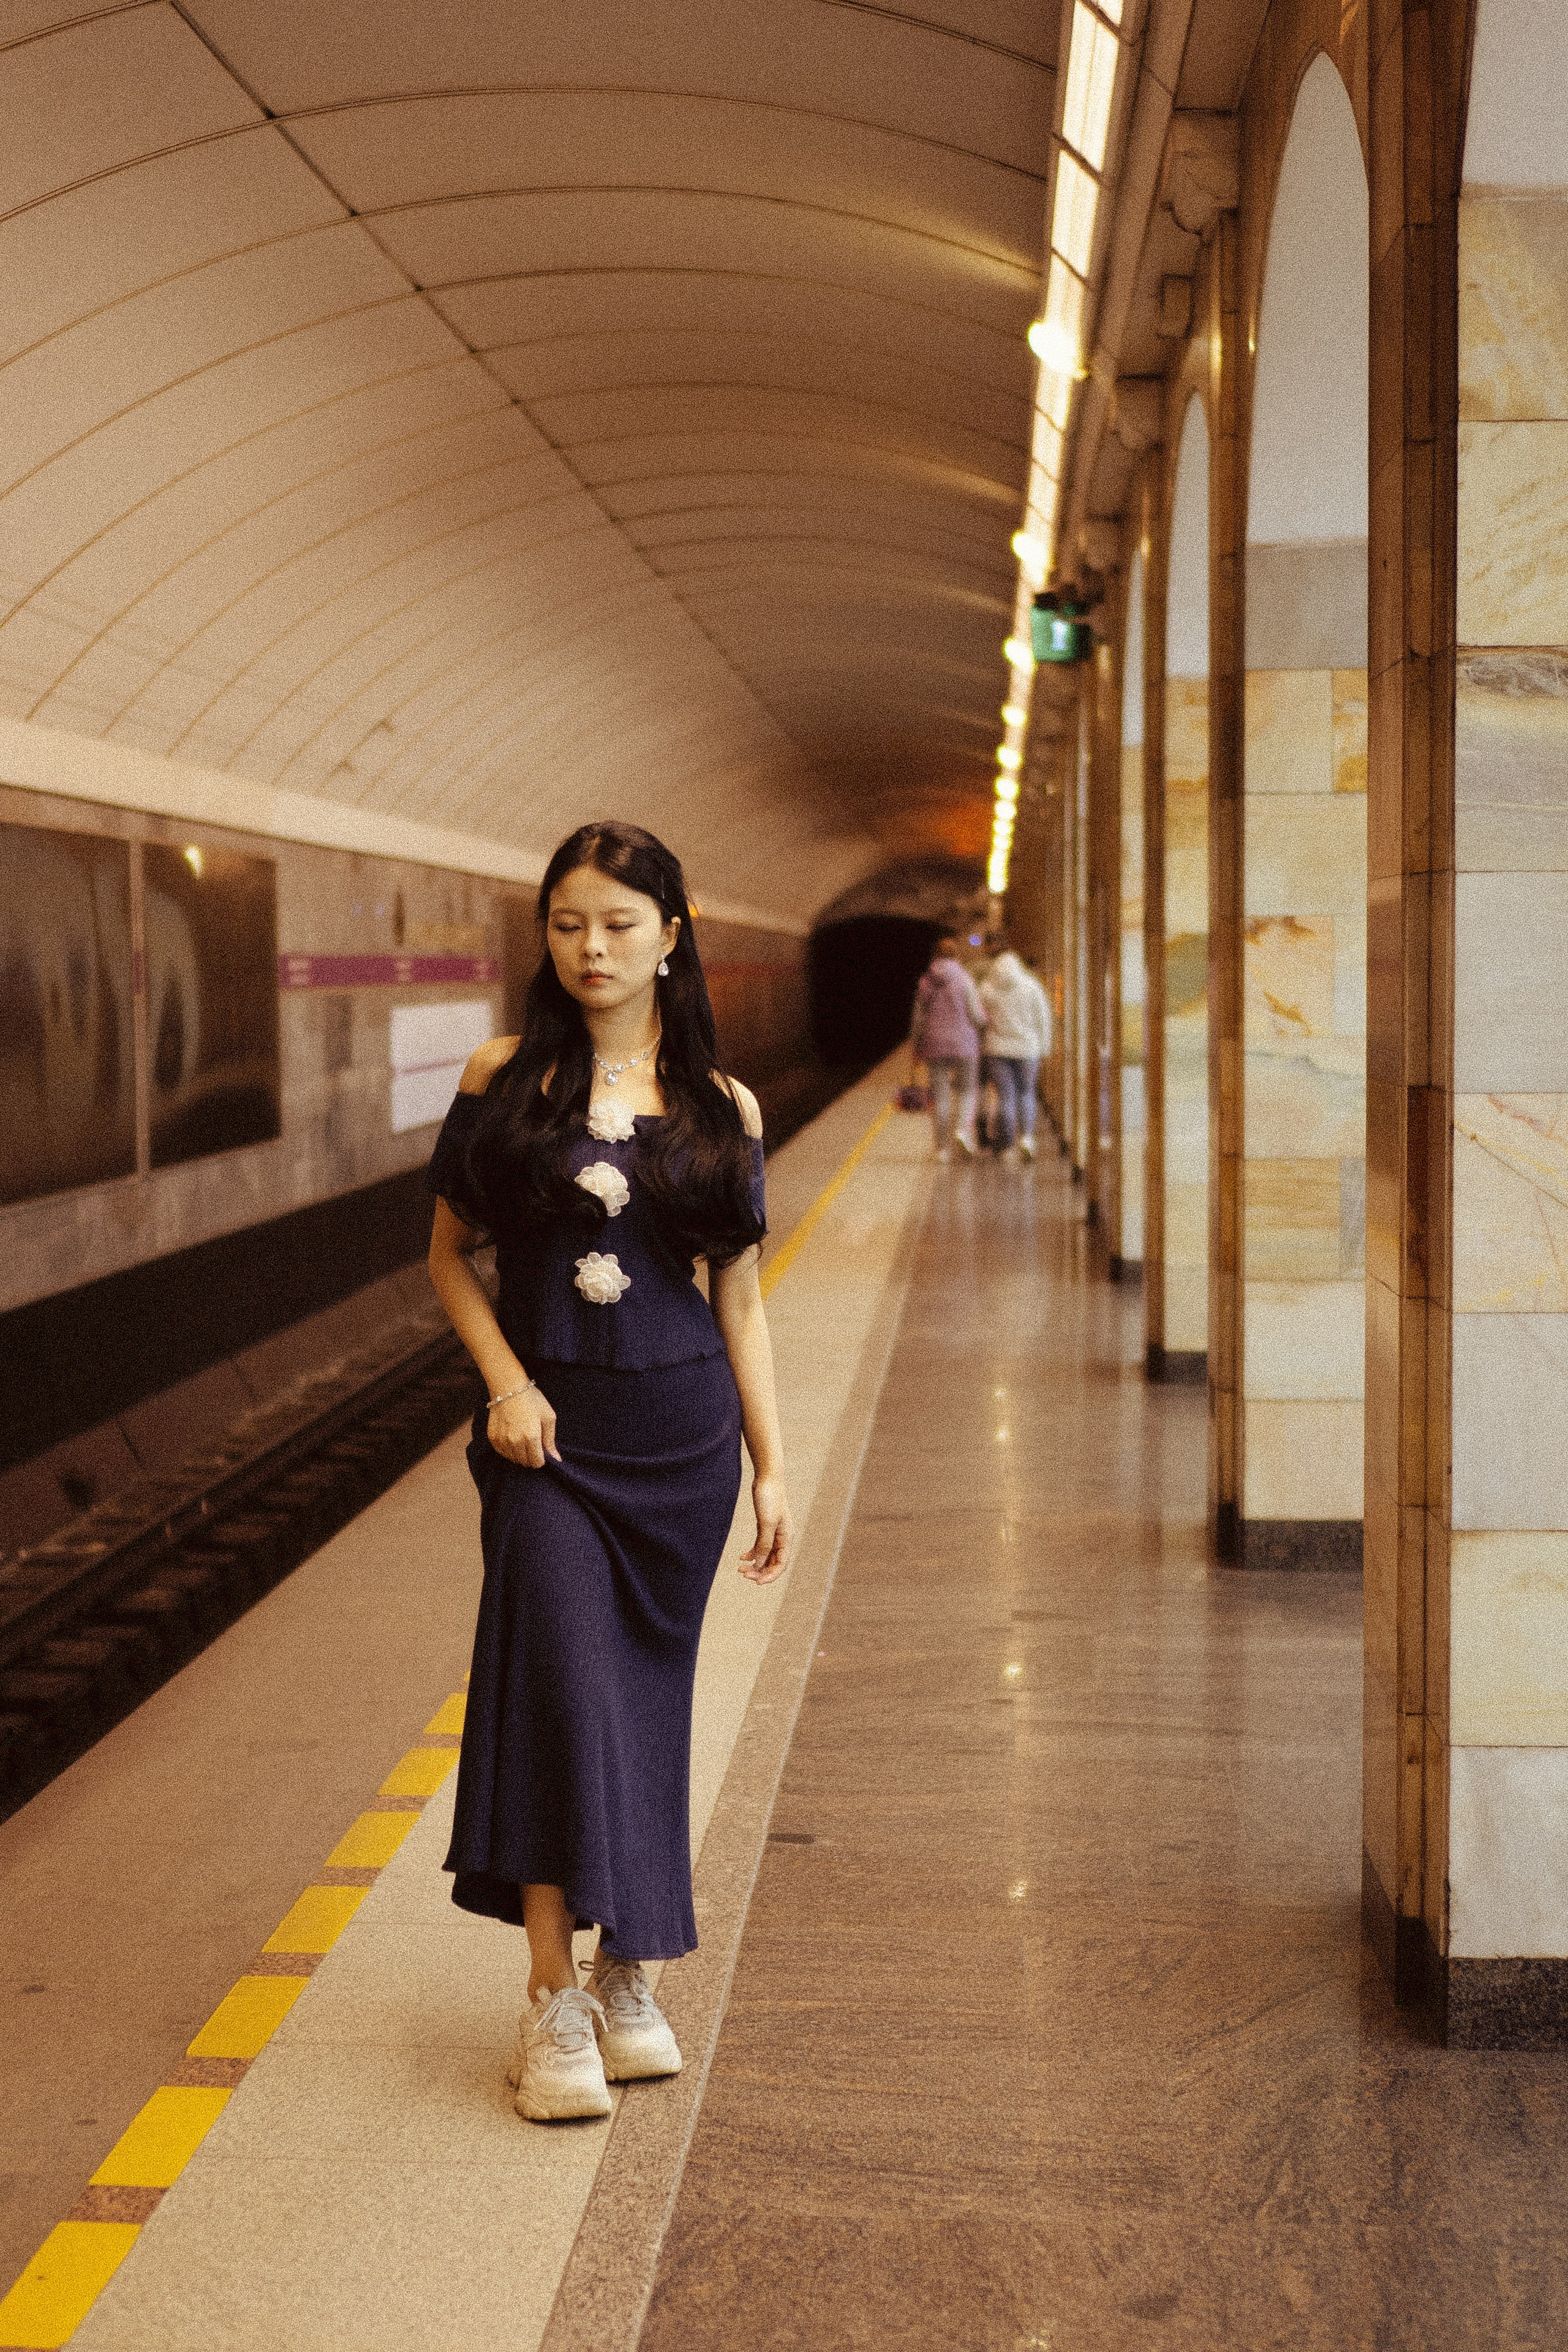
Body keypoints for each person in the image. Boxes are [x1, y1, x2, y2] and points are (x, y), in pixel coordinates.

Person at [425, 820, 791, 2124]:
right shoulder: (501, 1078)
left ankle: (631, 1973)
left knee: (644, 1708)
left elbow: (738, 1302)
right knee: (560, 1695)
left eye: (620, 925)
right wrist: (506, 1386)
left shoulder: (719, 1106)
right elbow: (446, 1262)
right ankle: (549, 1999)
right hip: (546, 1445)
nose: (593, 948)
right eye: (570, 923)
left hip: (678, 1443)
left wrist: (772, 1465)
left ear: (670, 938)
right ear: (547, 935)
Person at [910, 933, 986, 1161]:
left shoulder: (926, 982)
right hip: (964, 1045)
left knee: (941, 1097)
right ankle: (962, 1129)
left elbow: (918, 1019)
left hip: (934, 1045)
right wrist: (985, 1023)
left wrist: (916, 1045)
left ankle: (942, 1149)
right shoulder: (965, 979)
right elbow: (976, 1015)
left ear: (936, 956)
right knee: (967, 1091)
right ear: (957, 955)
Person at [979, 939, 1053, 1161]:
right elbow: (1044, 1018)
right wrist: (1044, 1047)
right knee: (1027, 1094)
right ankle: (1027, 1139)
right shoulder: (1032, 985)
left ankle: (1005, 1143)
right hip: (1028, 1049)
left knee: (1006, 1097)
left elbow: (979, 1015)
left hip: (998, 1050)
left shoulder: (989, 987)